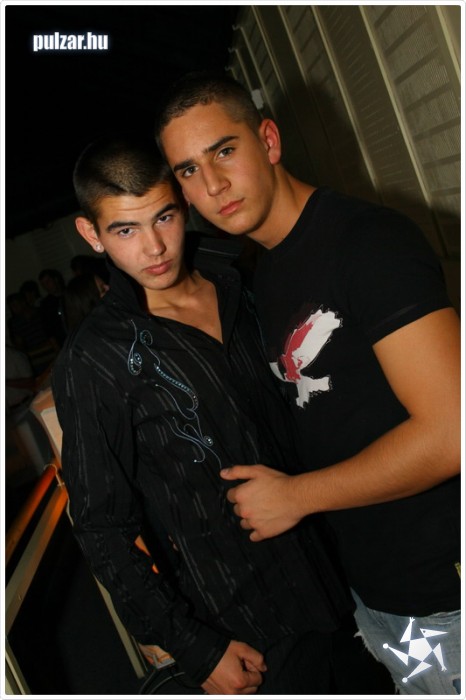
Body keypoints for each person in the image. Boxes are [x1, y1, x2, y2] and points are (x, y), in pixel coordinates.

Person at [155, 71, 461, 695]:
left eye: (224, 151)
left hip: (444, 591)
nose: (212, 184)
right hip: (377, 592)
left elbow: (453, 432)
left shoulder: (368, 242)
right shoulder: (264, 272)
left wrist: (297, 497)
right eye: (188, 170)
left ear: (268, 141)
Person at [51, 135, 366, 695]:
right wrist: (195, 648)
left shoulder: (240, 276)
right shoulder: (95, 359)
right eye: (125, 230)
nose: (154, 247)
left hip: (348, 576)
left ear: (182, 202)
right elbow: (101, 527)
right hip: (247, 631)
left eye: (164, 217)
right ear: (91, 234)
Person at [39, 268, 67, 346]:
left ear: (56, 279)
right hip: (63, 342)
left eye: (48, 282)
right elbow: (48, 330)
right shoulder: (45, 305)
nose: (46, 286)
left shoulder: (71, 294)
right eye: (43, 285)